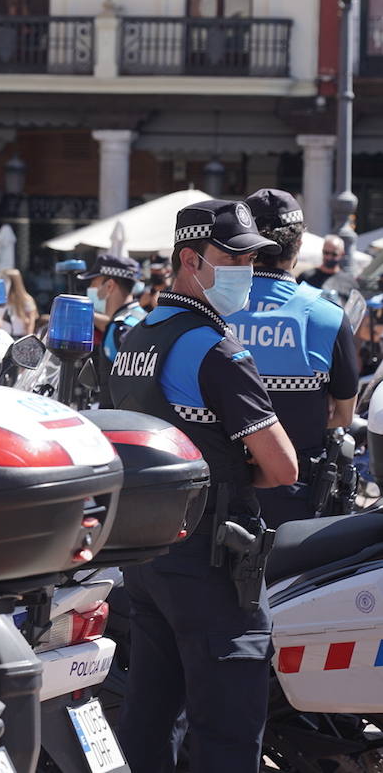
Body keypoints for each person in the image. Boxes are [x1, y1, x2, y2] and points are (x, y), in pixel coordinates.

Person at [108, 199, 298, 773]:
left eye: (250, 255)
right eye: (233, 256)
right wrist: (238, 471)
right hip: (213, 564)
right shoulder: (217, 350)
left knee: (152, 717)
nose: (244, 268)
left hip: (148, 553)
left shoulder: (133, 340)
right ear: (190, 259)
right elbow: (284, 468)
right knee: (227, 731)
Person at [223, 189, 358, 528]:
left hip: (219, 494)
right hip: (297, 498)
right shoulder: (327, 316)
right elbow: (343, 415)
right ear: (298, 246)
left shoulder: (213, 310)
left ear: (247, 245)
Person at [80, 253, 145, 407]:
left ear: (109, 286)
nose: (90, 289)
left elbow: (133, 386)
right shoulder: (140, 317)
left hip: (118, 424)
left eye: (93, 283)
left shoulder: (120, 328)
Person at [0, 268, 38, 337]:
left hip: (20, 338)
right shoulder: (1, 300)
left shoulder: (26, 300)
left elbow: (31, 323)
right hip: (3, 337)